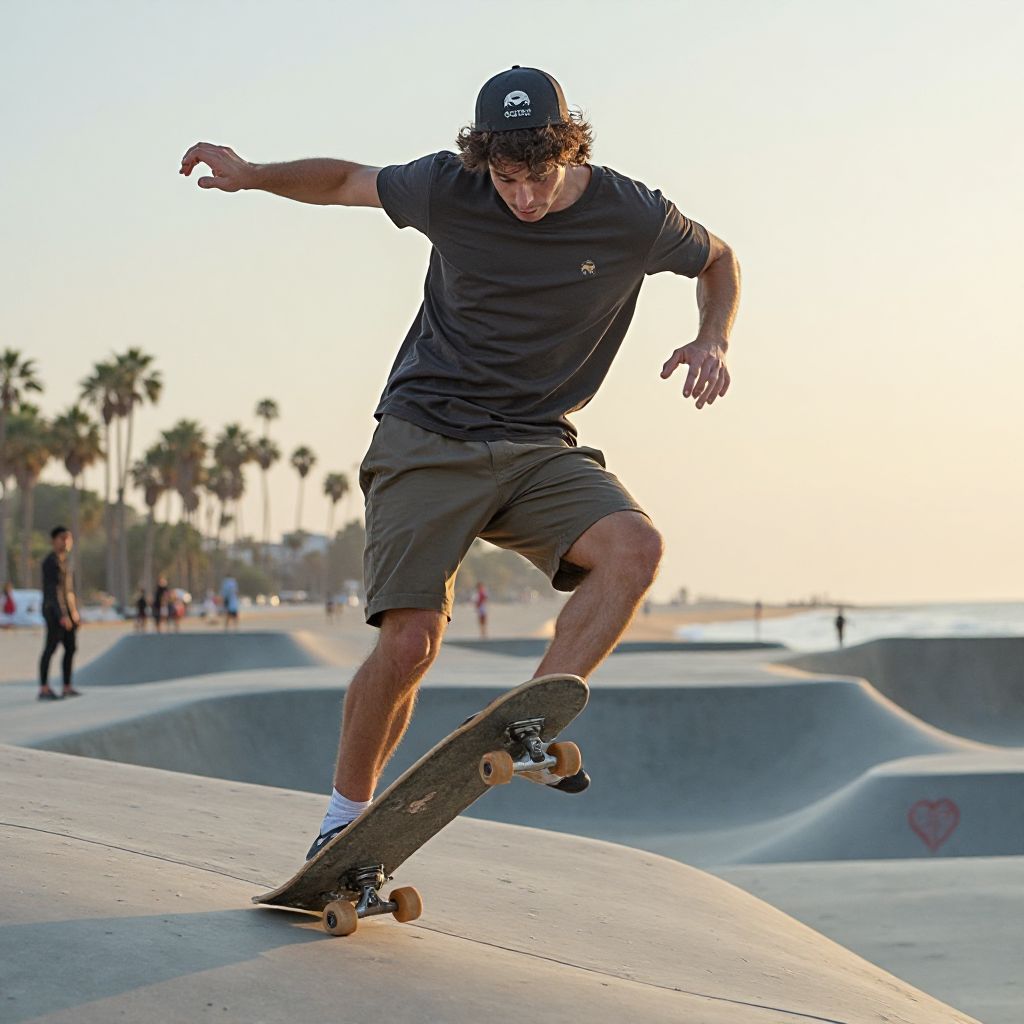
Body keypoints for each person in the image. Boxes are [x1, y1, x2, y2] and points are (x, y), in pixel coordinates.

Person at [181, 65, 740, 859]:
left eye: (540, 177)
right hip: (426, 434)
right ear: (484, 161)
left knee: (635, 548)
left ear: (570, 150)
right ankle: (342, 821)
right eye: (507, 179)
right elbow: (345, 181)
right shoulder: (447, 188)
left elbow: (719, 259)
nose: (524, 197)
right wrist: (252, 174)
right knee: (410, 644)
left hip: (537, 442)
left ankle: (528, 719)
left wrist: (713, 338)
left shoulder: (632, 214)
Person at [38, 526, 81, 700]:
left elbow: (68, 591)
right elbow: (53, 590)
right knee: (50, 648)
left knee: (71, 647)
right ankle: (44, 688)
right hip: (53, 610)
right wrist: (62, 615)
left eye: (68, 538)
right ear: (54, 541)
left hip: (67, 612)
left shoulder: (65, 561)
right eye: (62, 538)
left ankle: (67, 686)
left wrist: (74, 612)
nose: (66, 542)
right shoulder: (50, 562)